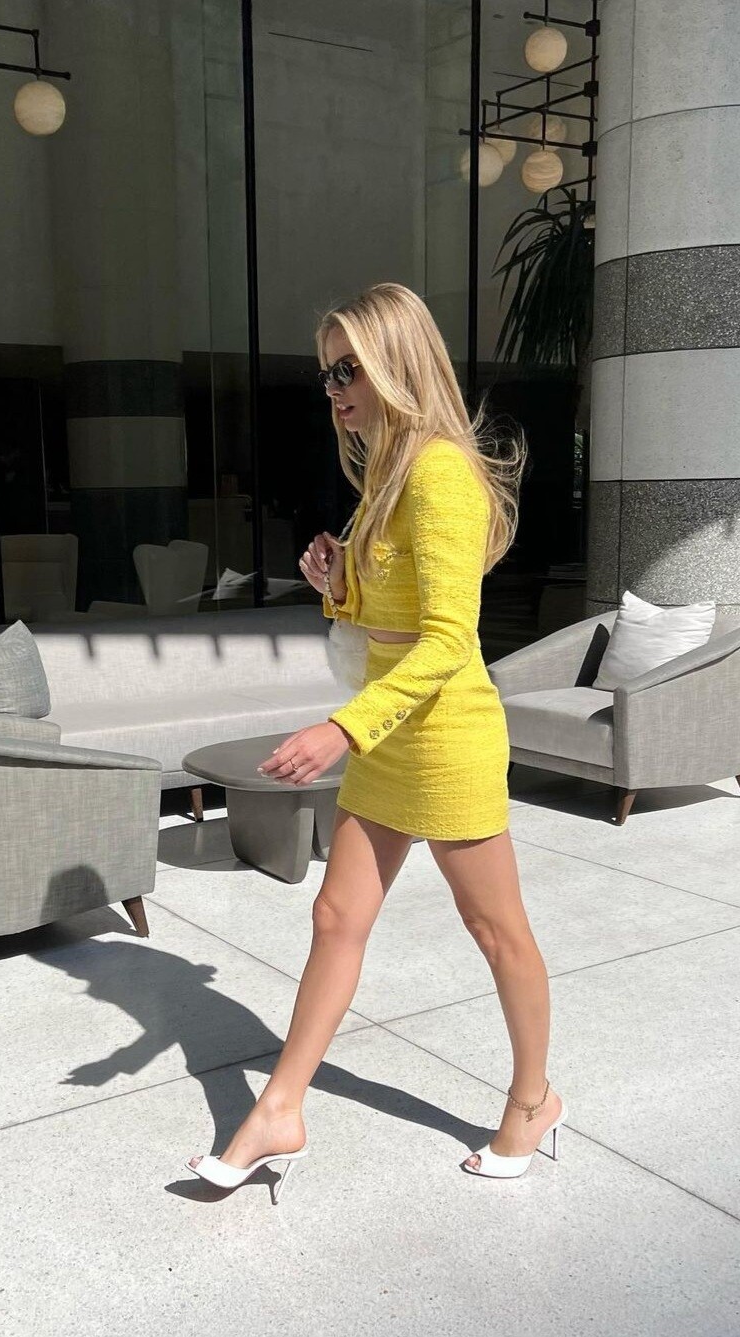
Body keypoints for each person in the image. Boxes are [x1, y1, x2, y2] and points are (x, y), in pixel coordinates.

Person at [184, 282, 565, 1198]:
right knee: (335, 916)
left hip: (445, 736)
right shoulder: (386, 476)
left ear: (397, 362)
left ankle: (533, 1099)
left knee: (495, 929)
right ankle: (280, 1108)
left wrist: (339, 728)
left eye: (347, 369)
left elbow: (448, 640)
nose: (334, 390)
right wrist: (336, 586)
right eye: (325, 374)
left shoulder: (437, 473)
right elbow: (387, 621)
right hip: (390, 732)